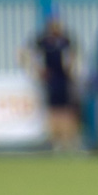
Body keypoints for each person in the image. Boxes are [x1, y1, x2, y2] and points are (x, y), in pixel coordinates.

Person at [27, 15, 80, 152]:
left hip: (64, 79)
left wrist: (72, 68)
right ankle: (55, 139)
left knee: (67, 108)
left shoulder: (65, 41)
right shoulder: (43, 41)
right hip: (51, 79)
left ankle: (67, 139)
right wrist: (38, 70)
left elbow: (74, 54)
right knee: (53, 109)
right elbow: (27, 53)